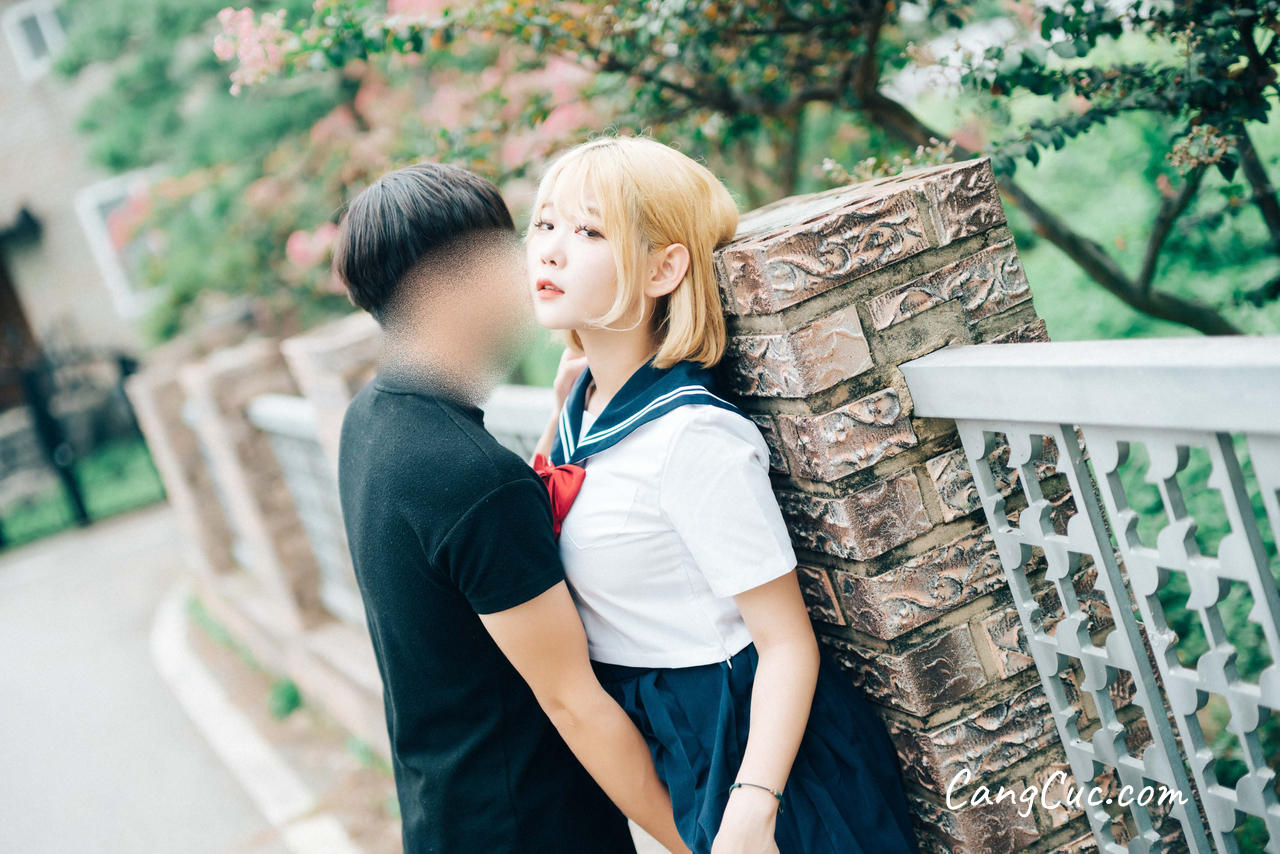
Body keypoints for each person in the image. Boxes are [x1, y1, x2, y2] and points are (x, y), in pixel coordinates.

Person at [524, 136, 923, 854]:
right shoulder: (581, 409)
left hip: (758, 756)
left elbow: (786, 643)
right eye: (545, 224)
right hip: (676, 743)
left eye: (588, 232)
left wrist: (753, 806)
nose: (549, 250)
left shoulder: (691, 436)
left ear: (663, 268)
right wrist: (559, 412)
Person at [332, 161, 690, 854]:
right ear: (450, 284)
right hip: (531, 830)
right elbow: (573, 704)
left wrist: (559, 418)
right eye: (507, 250)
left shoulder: (371, 420)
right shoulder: (473, 480)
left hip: (446, 817)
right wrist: (698, 844)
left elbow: (472, 546)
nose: (531, 265)